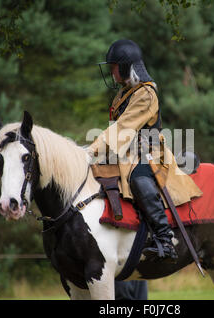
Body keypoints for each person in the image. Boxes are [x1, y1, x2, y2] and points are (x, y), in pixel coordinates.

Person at [88, 39, 202, 262]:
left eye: (113, 68)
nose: (111, 73)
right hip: (125, 152)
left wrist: (89, 151)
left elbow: (122, 129)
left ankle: (165, 238)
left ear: (124, 67)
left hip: (149, 153)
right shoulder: (122, 94)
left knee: (139, 179)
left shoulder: (146, 94)